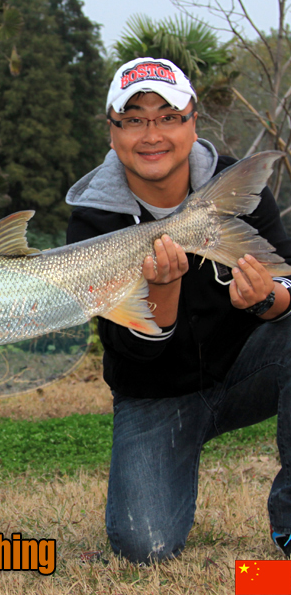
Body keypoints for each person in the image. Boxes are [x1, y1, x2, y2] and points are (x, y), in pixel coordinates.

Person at [65, 57, 291, 564]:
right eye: (134, 119)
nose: (152, 135)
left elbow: (287, 276)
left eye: (168, 117)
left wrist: (266, 298)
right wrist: (162, 291)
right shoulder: (92, 219)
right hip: (155, 395)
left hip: (245, 371)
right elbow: (129, 352)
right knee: (143, 548)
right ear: (112, 131)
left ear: (193, 122)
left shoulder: (235, 187)